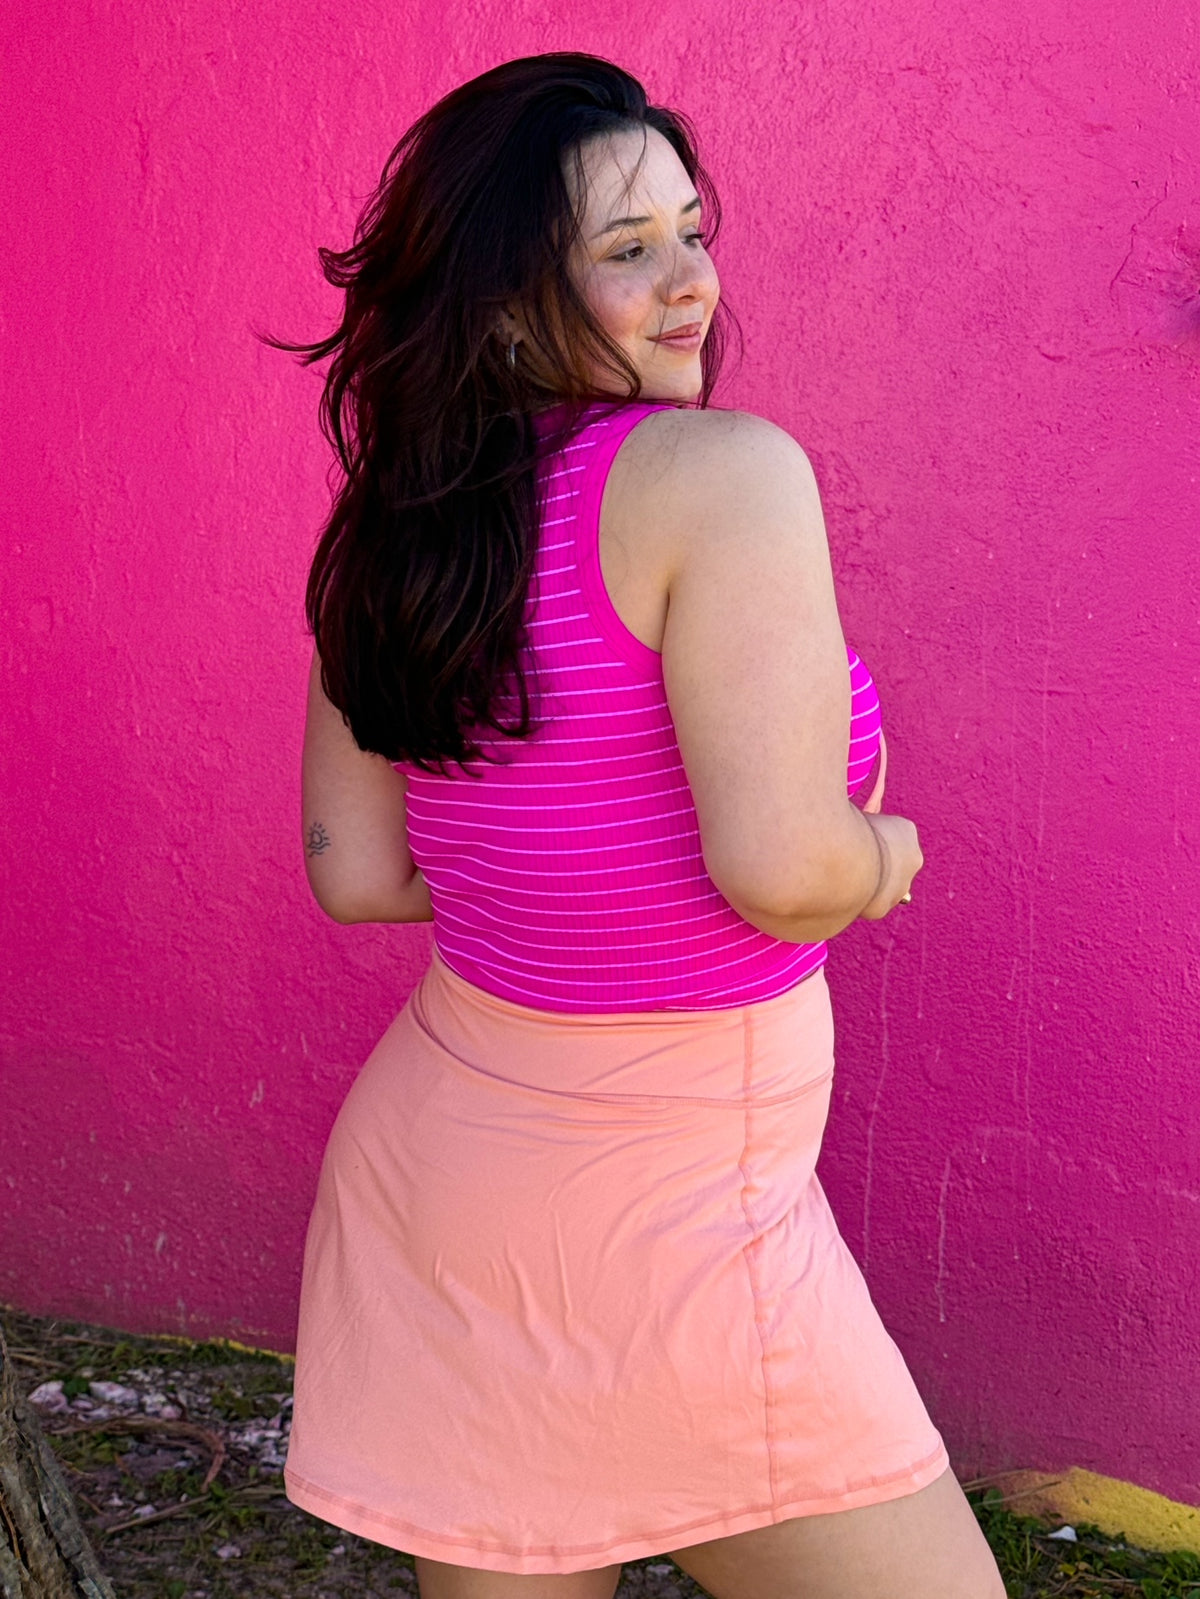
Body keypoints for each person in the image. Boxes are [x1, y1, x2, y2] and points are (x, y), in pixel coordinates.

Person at [274, 51, 1005, 1599]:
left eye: (691, 230)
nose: (691, 284)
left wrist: (562, 867)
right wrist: (885, 856)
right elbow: (786, 871)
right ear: (498, 307)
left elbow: (360, 871)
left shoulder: (393, 521)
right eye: (627, 249)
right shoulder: (720, 477)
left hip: (448, 1186)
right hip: (678, 1213)